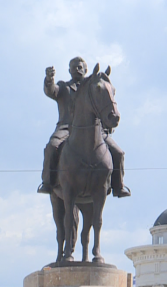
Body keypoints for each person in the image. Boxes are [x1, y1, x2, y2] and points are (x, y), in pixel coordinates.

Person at [38, 57, 130, 198]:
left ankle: (118, 186)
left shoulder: (93, 88)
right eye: (74, 67)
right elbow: (51, 91)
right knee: (52, 146)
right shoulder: (64, 87)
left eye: (80, 67)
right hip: (66, 129)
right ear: (69, 70)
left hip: (94, 130)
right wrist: (49, 79)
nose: (77, 69)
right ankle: (48, 181)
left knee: (118, 153)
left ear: (86, 70)